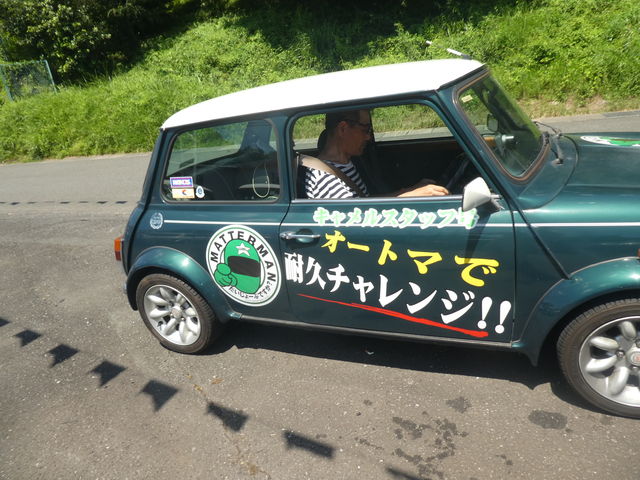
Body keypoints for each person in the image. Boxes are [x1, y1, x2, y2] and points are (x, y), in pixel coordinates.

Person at [300, 109, 450, 199]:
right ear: (343, 129)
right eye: (365, 129)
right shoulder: (325, 179)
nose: (368, 137)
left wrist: (410, 191)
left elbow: (365, 201)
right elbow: (356, 220)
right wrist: (412, 195)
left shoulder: (345, 162)